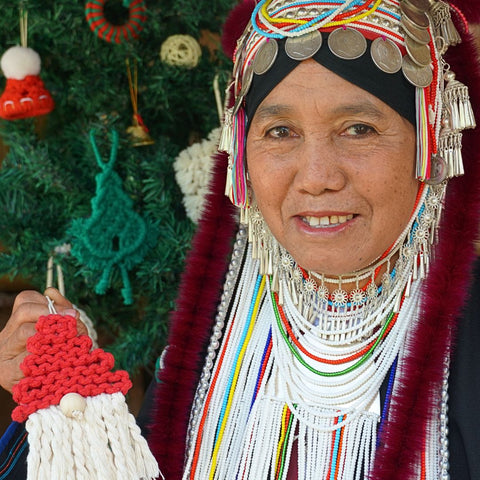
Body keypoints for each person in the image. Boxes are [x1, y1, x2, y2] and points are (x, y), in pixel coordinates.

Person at [1, 0, 480, 479]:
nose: (316, 178)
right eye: (280, 131)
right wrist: (68, 412)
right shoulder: (219, 336)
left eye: (359, 129)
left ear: (432, 143)